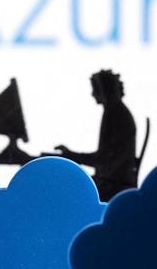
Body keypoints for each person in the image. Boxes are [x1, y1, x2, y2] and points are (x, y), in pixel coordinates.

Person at [48, 70, 136, 202]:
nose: (92, 94)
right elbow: (103, 158)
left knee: (61, 190)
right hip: (113, 182)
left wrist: (71, 156)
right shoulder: (116, 110)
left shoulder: (114, 112)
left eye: (94, 89)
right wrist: (70, 155)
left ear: (103, 90)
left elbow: (102, 159)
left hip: (113, 185)